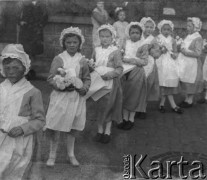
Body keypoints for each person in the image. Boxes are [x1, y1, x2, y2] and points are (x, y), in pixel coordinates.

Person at [45, 27, 91, 166]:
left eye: (74, 42)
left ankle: (71, 154)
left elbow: (87, 78)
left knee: (72, 126)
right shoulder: (59, 58)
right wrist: (60, 85)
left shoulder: (82, 60)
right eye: (69, 42)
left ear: (79, 44)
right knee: (55, 125)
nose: (71, 45)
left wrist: (84, 88)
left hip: (76, 98)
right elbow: (51, 78)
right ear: (64, 43)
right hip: (60, 97)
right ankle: (52, 155)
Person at [0, 44, 45, 180]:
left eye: (15, 67)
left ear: (24, 68)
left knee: (14, 171)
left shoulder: (32, 92)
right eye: (7, 68)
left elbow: (40, 120)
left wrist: (22, 128)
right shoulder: (1, 88)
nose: (11, 72)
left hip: (19, 142)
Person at [92, 24, 123, 144]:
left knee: (108, 106)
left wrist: (109, 75)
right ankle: (100, 130)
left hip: (110, 82)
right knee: (99, 106)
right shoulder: (96, 49)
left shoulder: (115, 51)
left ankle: (107, 131)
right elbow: (93, 63)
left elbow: (119, 68)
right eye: (102, 36)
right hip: (97, 81)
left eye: (107, 36)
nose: (104, 39)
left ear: (112, 37)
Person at [118, 22, 148, 130]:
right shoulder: (125, 43)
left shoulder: (143, 45)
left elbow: (144, 61)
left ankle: (131, 119)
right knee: (125, 95)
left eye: (137, 33)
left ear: (141, 34)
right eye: (132, 32)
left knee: (134, 96)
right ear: (129, 33)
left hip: (136, 72)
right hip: (124, 72)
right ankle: (124, 118)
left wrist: (130, 60)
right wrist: (120, 57)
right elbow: (120, 54)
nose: (134, 35)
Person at [156, 20, 182, 114]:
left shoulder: (172, 39)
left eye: (168, 29)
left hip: (170, 62)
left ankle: (162, 104)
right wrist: (160, 50)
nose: (166, 31)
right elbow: (155, 50)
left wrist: (175, 55)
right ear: (160, 30)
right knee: (163, 82)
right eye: (164, 29)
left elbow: (175, 51)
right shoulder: (158, 39)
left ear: (171, 30)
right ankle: (171, 104)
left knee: (169, 83)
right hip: (161, 61)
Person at [18, 0, 48, 79]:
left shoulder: (42, 5)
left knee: (34, 52)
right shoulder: (25, 4)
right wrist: (21, 22)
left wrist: (40, 25)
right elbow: (18, 16)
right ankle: (26, 71)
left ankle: (32, 71)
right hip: (26, 32)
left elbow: (45, 17)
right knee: (26, 51)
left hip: (36, 33)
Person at [178, 17, 203, 108]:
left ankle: (190, 100)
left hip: (193, 64)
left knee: (191, 82)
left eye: (189, 26)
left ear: (195, 27)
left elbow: (198, 53)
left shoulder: (198, 38)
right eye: (187, 26)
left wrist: (184, 51)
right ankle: (186, 99)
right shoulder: (189, 36)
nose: (187, 27)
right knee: (186, 81)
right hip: (186, 63)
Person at [138, 17, 160, 119]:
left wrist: (150, 50)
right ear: (142, 27)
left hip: (150, 64)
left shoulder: (153, 39)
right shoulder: (138, 37)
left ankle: (143, 108)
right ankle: (136, 106)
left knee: (147, 86)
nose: (149, 29)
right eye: (147, 27)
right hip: (139, 63)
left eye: (151, 27)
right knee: (138, 86)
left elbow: (157, 53)